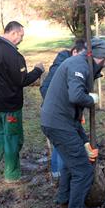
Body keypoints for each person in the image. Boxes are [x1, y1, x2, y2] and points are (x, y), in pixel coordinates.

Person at [41, 38, 105, 208]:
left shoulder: (81, 63)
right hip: (59, 124)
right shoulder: (78, 66)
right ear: (101, 59)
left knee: (73, 162)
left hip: (65, 121)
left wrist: (84, 140)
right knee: (83, 170)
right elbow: (76, 96)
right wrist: (91, 98)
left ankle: (64, 201)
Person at [0, 21, 45, 184]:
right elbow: (22, 80)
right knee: (13, 139)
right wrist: (38, 70)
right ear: (14, 33)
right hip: (9, 106)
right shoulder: (13, 55)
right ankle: (12, 175)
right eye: (21, 35)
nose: (22, 39)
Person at [39, 39, 86, 179]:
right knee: (64, 144)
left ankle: (57, 174)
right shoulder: (63, 65)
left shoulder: (73, 63)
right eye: (82, 56)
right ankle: (60, 177)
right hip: (57, 113)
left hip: (64, 111)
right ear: (74, 52)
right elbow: (46, 90)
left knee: (60, 144)